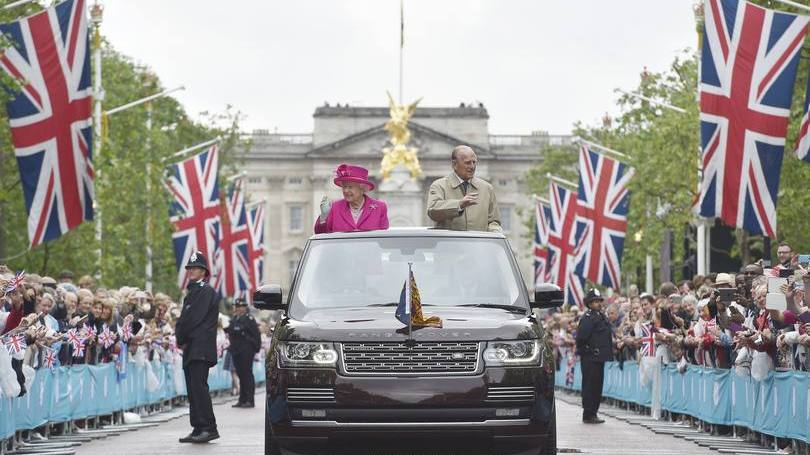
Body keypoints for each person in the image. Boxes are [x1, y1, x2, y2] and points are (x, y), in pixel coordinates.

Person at [175, 251, 220, 444]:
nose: (191, 271)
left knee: (199, 388)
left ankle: (208, 427)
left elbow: (193, 319)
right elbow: (185, 318)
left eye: (195, 268)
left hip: (199, 347)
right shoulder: (193, 291)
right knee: (193, 389)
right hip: (192, 347)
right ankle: (198, 426)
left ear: (203, 271)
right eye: (190, 268)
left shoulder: (205, 291)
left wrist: (181, 336)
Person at [426, 145, 501, 232]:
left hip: (478, 244)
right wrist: (459, 205)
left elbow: (493, 221)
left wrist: (495, 232)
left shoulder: (487, 188)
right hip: (449, 244)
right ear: (454, 164)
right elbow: (433, 211)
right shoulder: (439, 186)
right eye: (467, 163)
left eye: (474, 162)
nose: (472, 167)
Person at [314, 163, 389, 233]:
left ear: (362, 188)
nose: (346, 191)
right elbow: (320, 234)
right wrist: (323, 217)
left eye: (350, 187)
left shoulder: (379, 207)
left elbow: (384, 237)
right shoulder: (335, 208)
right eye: (344, 187)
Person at [575, 289, 613, 424]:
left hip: (599, 358)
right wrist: (588, 351)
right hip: (590, 357)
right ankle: (588, 413)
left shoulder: (601, 316)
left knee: (597, 386)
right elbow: (581, 338)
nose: (598, 304)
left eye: (599, 301)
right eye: (595, 301)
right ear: (589, 304)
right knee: (590, 386)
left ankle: (593, 413)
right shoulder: (588, 318)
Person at [225, 298, 261, 408]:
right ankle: (242, 399)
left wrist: (255, 347)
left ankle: (250, 400)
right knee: (240, 374)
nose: (238, 308)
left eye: (240, 306)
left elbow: (255, 335)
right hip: (236, 350)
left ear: (245, 307)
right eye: (237, 306)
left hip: (246, 350)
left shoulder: (249, 319)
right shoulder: (235, 318)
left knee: (247, 374)